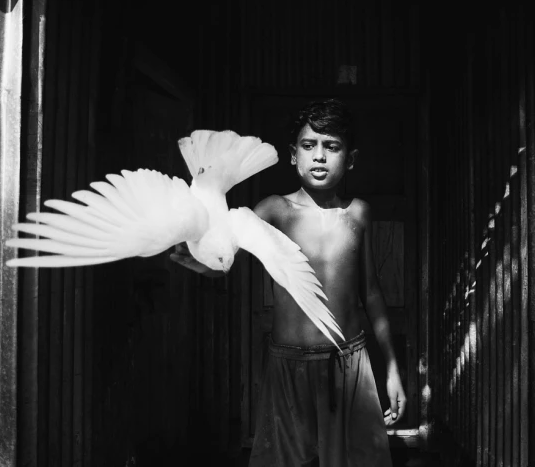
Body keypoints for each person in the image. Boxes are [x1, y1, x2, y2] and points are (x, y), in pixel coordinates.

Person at [170, 99, 405, 466]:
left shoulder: (357, 212)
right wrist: (201, 264)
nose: (320, 157)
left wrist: (391, 369)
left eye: (332, 146)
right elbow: (226, 258)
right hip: (288, 366)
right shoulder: (274, 209)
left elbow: (370, 291)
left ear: (352, 158)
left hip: (349, 365)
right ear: (293, 156)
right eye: (309, 146)